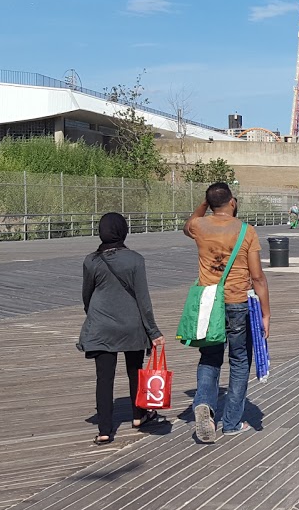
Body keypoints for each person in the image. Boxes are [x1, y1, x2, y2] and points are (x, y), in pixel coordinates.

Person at [184, 183, 271, 443]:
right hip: (237, 303)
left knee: (210, 357)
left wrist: (205, 203)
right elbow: (257, 277)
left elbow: (188, 224)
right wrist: (265, 314)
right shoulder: (247, 231)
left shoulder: (200, 227)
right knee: (240, 360)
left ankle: (204, 405)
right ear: (232, 202)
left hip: (209, 303)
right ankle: (232, 422)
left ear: (210, 204)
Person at [78, 212, 164, 445]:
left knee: (103, 379)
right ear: (123, 231)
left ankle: (105, 430)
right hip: (131, 326)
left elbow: (86, 295)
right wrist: (154, 331)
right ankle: (139, 415)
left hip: (101, 326)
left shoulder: (91, 260)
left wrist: (94, 316)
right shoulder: (136, 260)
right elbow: (143, 299)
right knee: (135, 371)